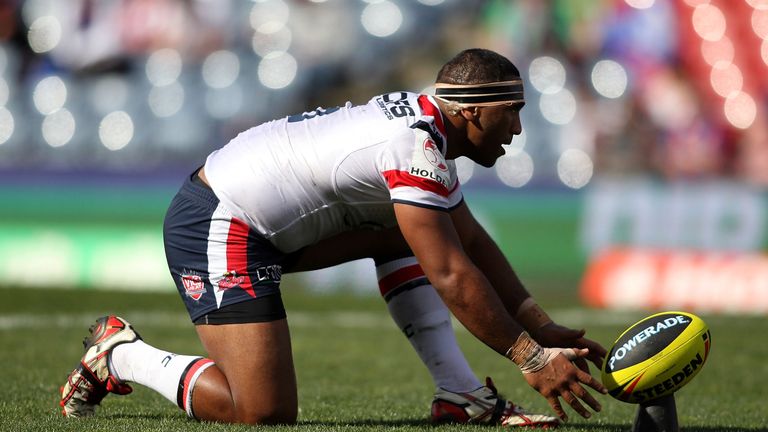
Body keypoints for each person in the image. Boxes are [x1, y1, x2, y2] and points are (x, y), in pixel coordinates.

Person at [60, 48, 608, 427]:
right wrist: (531, 357)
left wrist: (539, 324)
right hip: (220, 222)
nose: (518, 128)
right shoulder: (414, 145)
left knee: (412, 234)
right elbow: (450, 274)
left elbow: (473, 243)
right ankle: (123, 355)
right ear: (470, 110)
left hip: (260, 219)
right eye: (510, 112)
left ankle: (461, 395)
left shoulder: (427, 130)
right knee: (262, 412)